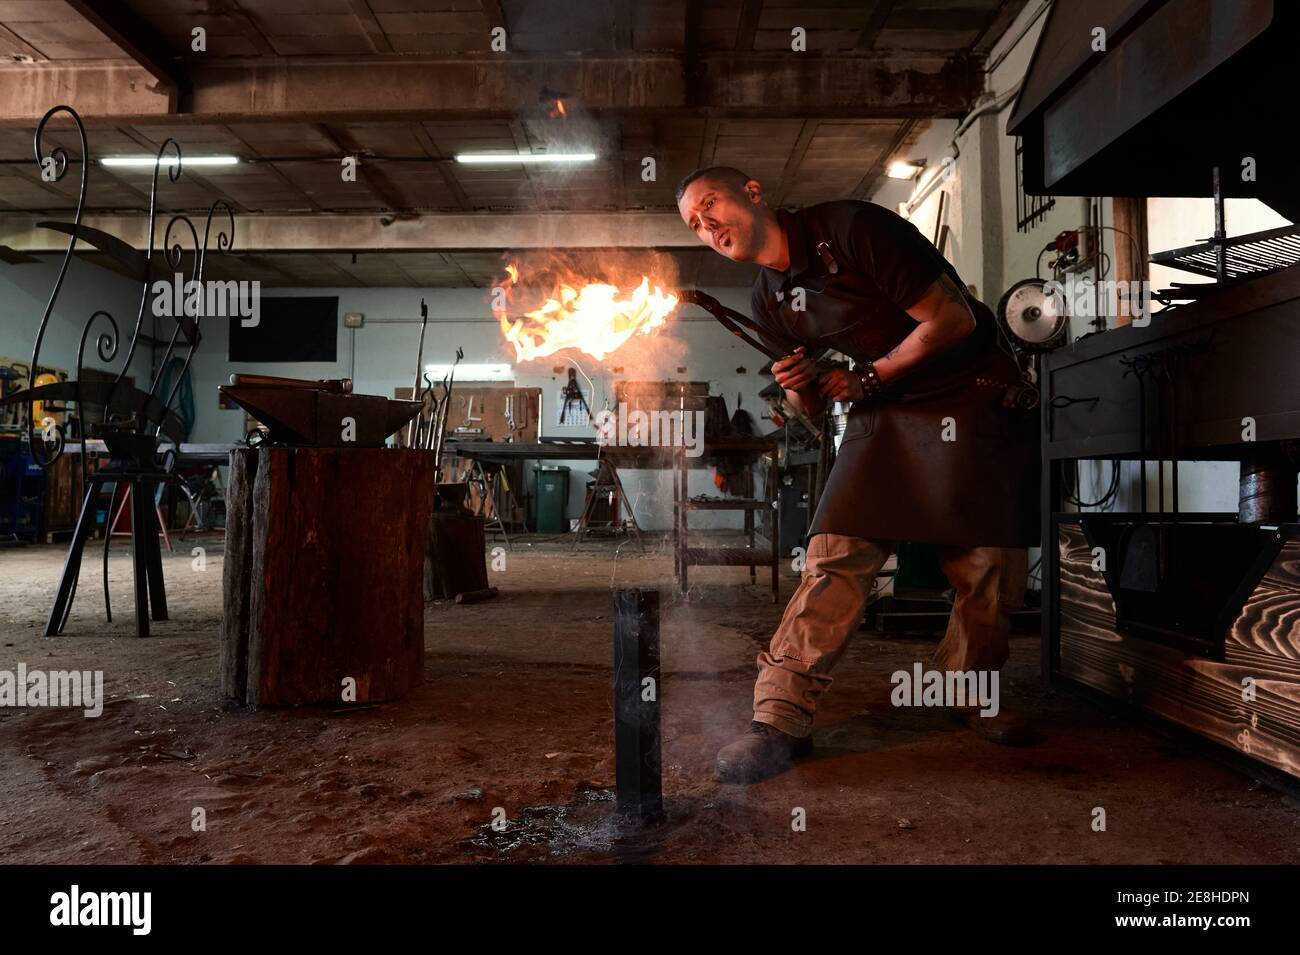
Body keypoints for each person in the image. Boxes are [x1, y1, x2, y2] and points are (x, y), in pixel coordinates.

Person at [676, 166, 1039, 784]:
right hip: (888, 410)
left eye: (711, 204)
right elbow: (815, 405)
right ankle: (780, 717)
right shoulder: (768, 297)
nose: (706, 225)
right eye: (693, 223)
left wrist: (868, 377)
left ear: (755, 192)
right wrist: (799, 390)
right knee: (836, 554)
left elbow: (954, 321)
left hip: (970, 393)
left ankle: (967, 689)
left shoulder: (853, 229)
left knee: (983, 567)